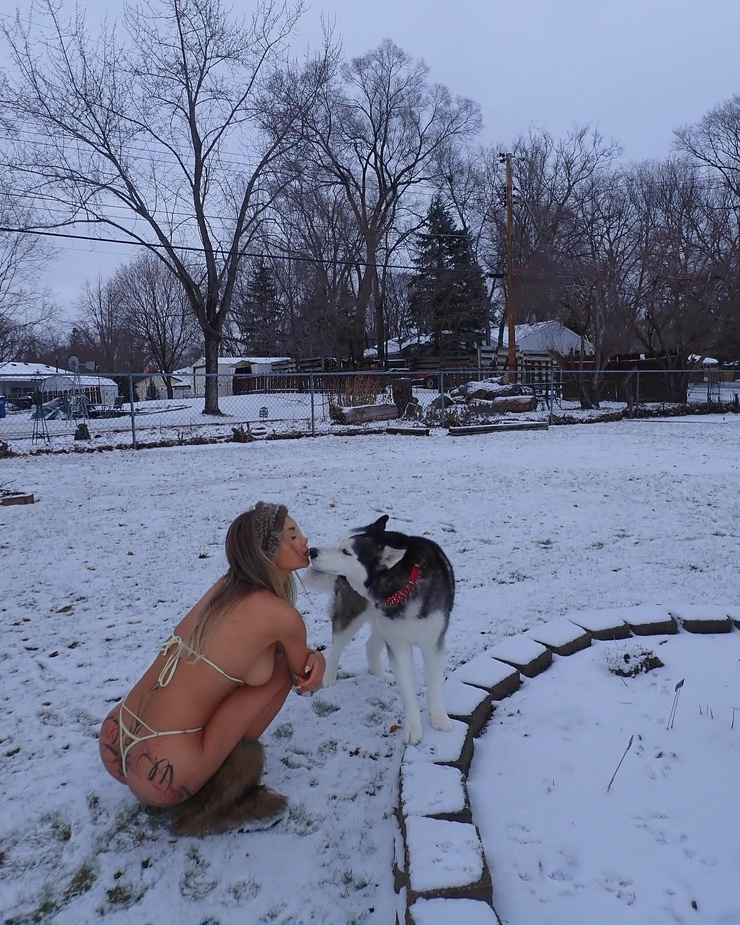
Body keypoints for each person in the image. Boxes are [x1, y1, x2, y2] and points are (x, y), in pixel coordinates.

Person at [98, 501, 325, 835]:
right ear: (267, 551)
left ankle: (205, 764)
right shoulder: (282, 617)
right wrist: (315, 659)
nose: (305, 540)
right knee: (278, 671)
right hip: (167, 771)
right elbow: (301, 671)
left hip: (117, 736)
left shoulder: (224, 586)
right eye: (293, 534)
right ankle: (222, 791)